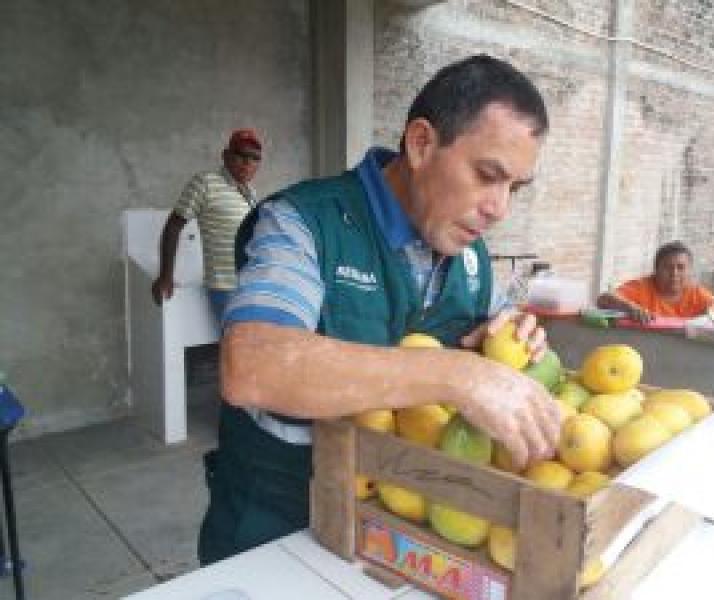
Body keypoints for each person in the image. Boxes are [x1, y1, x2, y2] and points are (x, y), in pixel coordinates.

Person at [198, 55, 562, 565]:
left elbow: (497, 333)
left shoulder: (470, 255)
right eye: (487, 175)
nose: (499, 208)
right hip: (279, 532)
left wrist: (518, 333)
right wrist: (457, 374)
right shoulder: (303, 223)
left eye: (514, 188)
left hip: (404, 537)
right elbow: (253, 363)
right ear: (420, 143)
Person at [151, 129, 263, 321]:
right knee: (237, 345)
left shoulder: (250, 192)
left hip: (250, 285)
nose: (247, 163)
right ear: (226, 156)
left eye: (254, 158)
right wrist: (165, 276)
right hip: (225, 288)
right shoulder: (205, 183)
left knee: (247, 346)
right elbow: (173, 226)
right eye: (241, 155)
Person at [597, 241, 714, 323]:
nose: (674, 273)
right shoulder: (641, 287)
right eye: (667, 267)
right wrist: (630, 307)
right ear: (656, 270)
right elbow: (603, 299)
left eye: (680, 268)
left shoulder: (697, 293)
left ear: (689, 270)